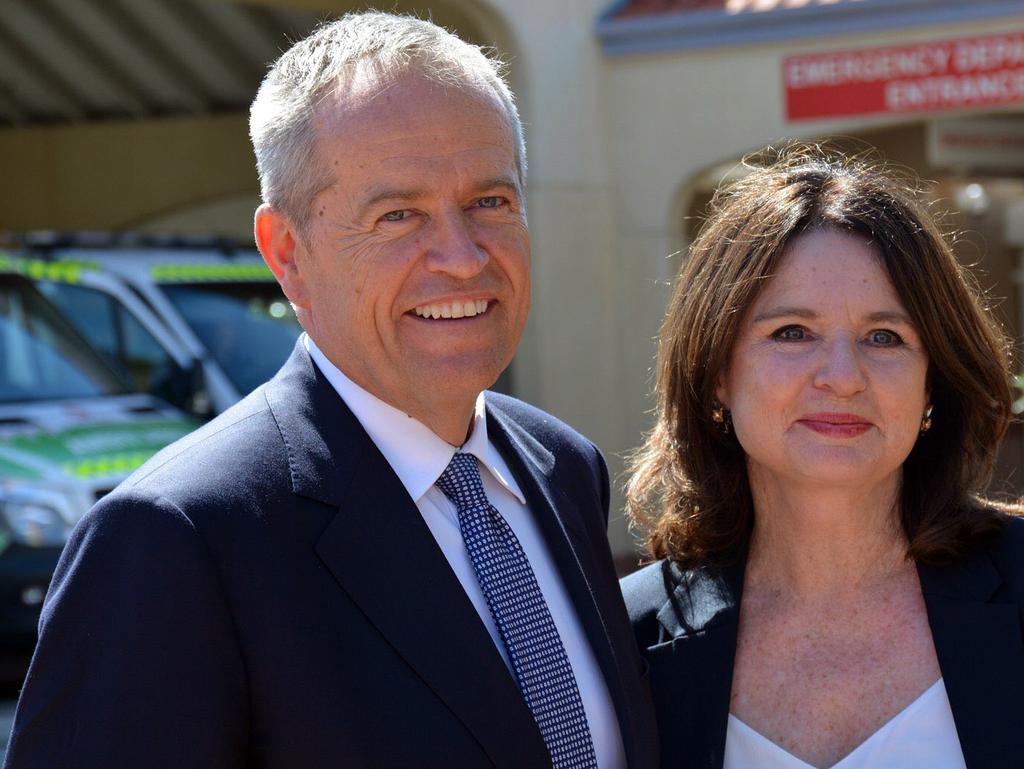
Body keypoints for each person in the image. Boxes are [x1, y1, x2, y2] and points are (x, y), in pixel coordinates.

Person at [4, 13, 657, 769]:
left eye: (490, 201)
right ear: (288, 253)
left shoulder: (560, 467)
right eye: (398, 214)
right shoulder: (176, 541)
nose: (462, 255)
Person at [621, 145, 1024, 769]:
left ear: (932, 382)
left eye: (884, 337)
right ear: (717, 373)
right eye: (792, 333)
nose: (842, 376)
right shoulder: (624, 642)